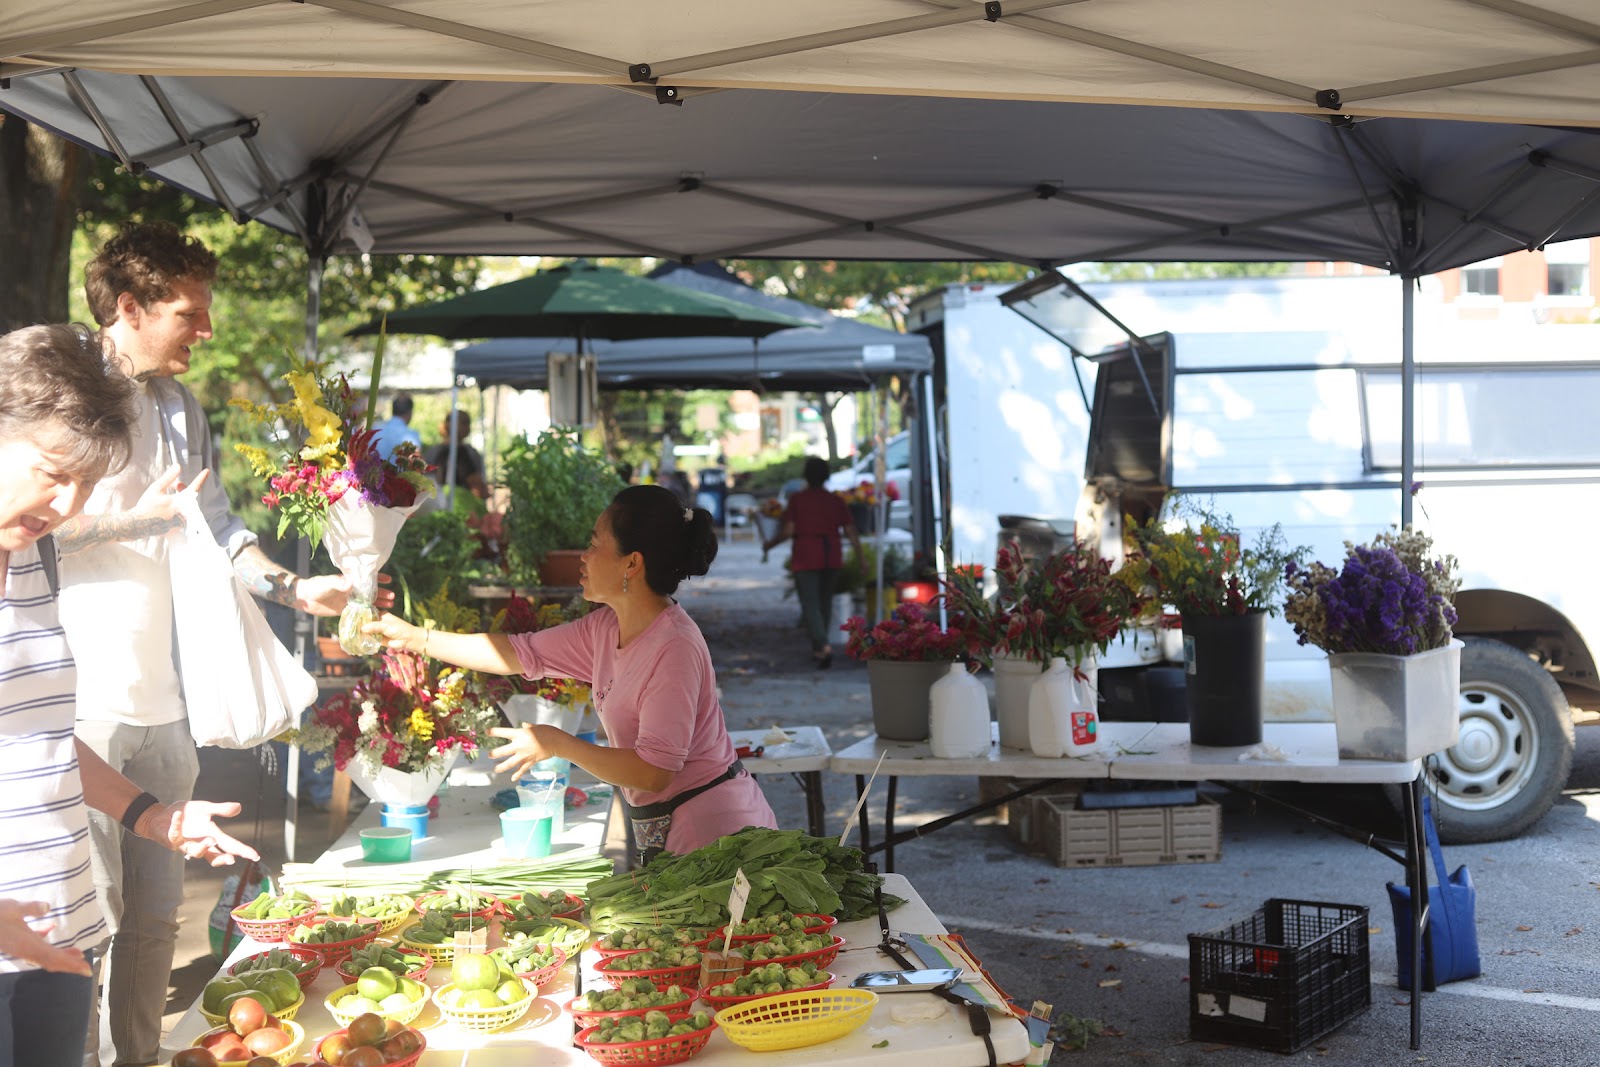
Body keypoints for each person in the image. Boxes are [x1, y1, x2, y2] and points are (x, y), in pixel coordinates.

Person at [57, 222, 375, 1067]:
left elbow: (220, 526)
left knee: (156, 922)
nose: (207, 331)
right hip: (81, 705)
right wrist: (145, 517)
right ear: (130, 306)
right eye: (190, 313)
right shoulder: (65, 393)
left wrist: (292, 588)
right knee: (97, 920)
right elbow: (38, 530)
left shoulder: (177, 405)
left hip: (165, 703)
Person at [0, 323, 257, 1067]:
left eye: (85, 481)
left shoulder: (33, 559)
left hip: (63, 928)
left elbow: (40, 738)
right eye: (53, 471)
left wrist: (155, 815)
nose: (67, 499)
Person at [365, 484, 777, 863]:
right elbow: (517, 653)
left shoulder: (674, 647)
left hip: (717, 836)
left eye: (595, 544)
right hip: (669, 830)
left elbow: (653, 772)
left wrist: (556, 742)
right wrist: (414, 637)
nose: (583, 556)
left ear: (632, 563)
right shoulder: (606, 628)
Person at [763, 456, 861, 669]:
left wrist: (770, 544)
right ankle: (819, 646)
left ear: (806, 475)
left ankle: (822, 645)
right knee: (824, 601)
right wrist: (861, 557)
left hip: (807, 553)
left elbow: (788, 530)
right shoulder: (835, 500)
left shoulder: (798, 499)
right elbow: (851, 531)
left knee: (810, 602)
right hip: (832, 554)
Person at [426, 410, 487, 506]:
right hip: (462, 507)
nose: (469, 427)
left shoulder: (432, 451)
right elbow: (477, 487)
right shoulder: (467, 452)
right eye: (465, 423)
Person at [371, 392, 422, 460]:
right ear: (410, 413)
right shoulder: (411, 436)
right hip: (400, 470)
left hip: (373, 470)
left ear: (392, 410)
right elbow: (415, 462)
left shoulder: (375, 430)